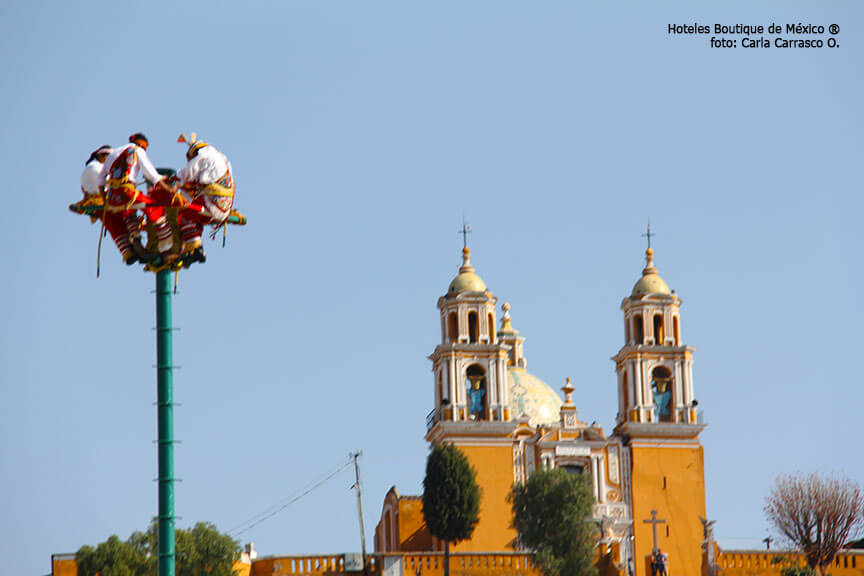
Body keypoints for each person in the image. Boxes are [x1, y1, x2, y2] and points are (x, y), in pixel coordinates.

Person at [97, 133, 174, 264]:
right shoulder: (138, 151)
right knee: (156, 210)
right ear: (142, 144)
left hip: (113, 197)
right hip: (128, 192)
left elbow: (100, 179)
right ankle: (167, 249)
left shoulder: (113, 153)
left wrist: (105, 200)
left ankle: (136, 243)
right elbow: (151, 174)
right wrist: (168, 188)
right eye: (145, 147)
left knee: (129, 214)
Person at [173, 133, 235, 263]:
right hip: (224, 208)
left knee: (185, 213)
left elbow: (185, 175)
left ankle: (194, 248)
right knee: (196, 216)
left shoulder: (202, 157)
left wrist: (168, 180)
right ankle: (194, 249)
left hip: (213, 204)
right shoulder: (221, 158)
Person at [79, 145, 112, 223]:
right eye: (108, 156)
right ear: (100, 156)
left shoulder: (92, 166)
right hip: (100, 199)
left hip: (90, 198)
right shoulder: (97, 167)